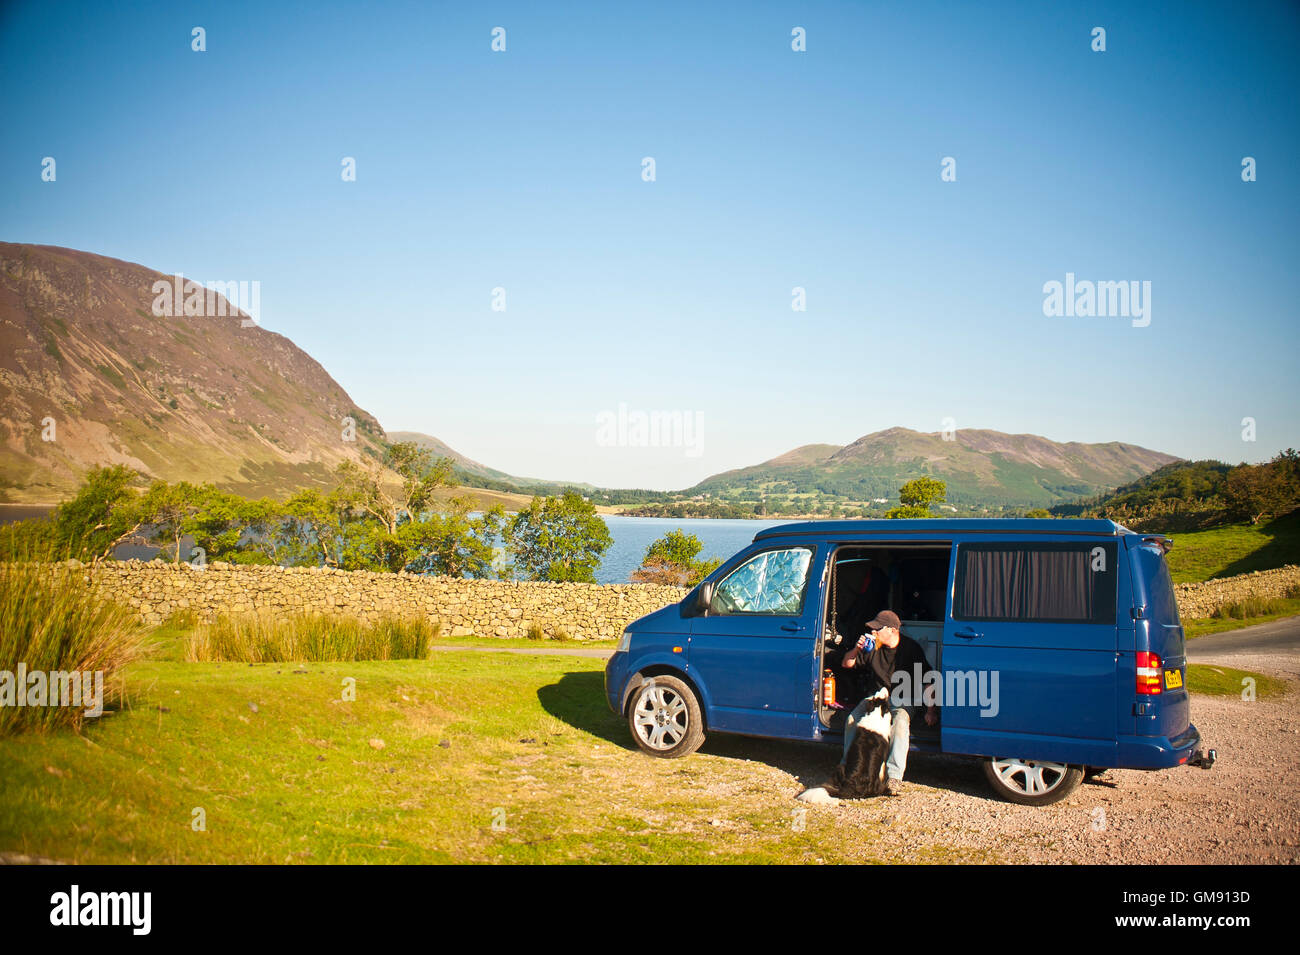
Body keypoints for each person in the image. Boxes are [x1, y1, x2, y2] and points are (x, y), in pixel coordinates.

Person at [840, 610, 938, 796]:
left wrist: (931, 710)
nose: (873, 632)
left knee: (900, 723)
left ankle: (894, 777)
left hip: (904, 698)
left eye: (878, 629)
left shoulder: (911, 649)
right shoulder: (872, 647)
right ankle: (848, 766)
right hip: (877, 697)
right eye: (873, 629)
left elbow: (927, 679)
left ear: (893, 630)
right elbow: (847, 664)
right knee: (852, 720)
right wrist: (856, 649)